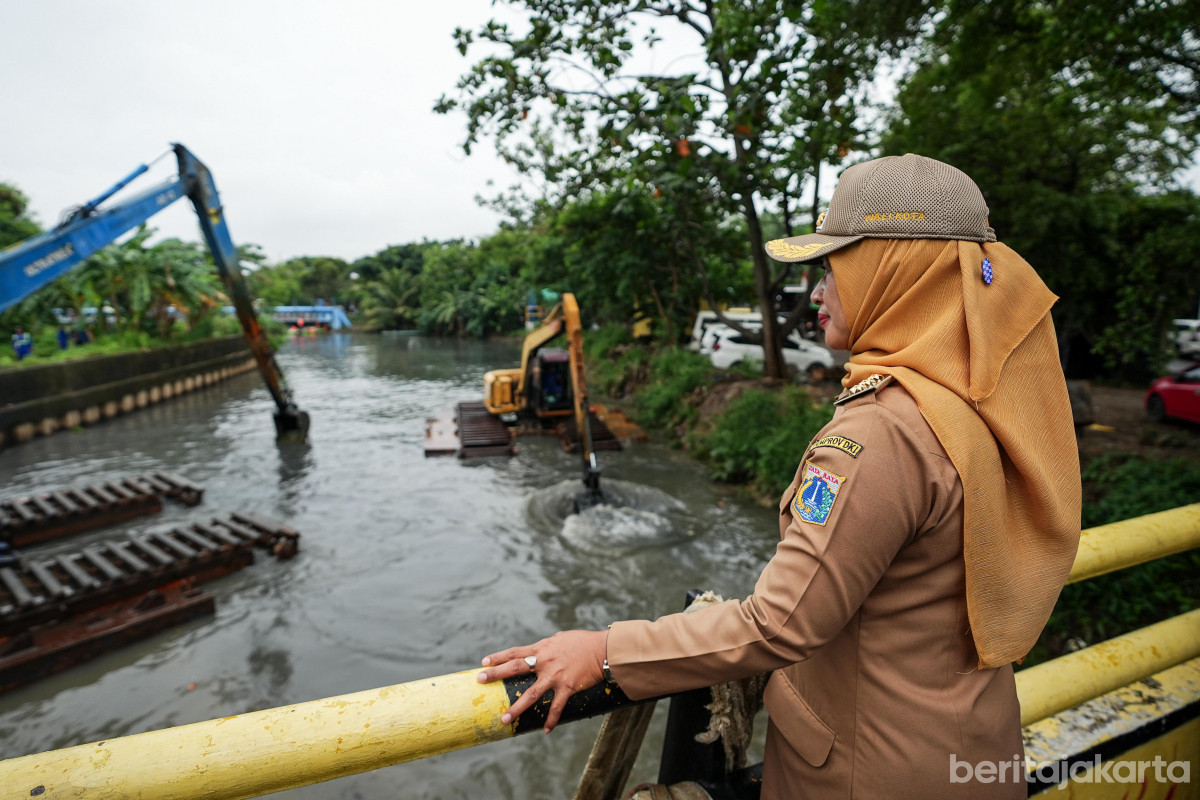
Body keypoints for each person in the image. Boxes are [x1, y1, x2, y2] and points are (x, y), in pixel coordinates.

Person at [476, 154, 1082, 798]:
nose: (816, 293)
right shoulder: (982, 401)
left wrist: (603, 652)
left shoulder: (881, 434)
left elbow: (778, 623)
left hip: (867, 774)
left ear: (892, 273)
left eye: (833, 268)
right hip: (975, 752)